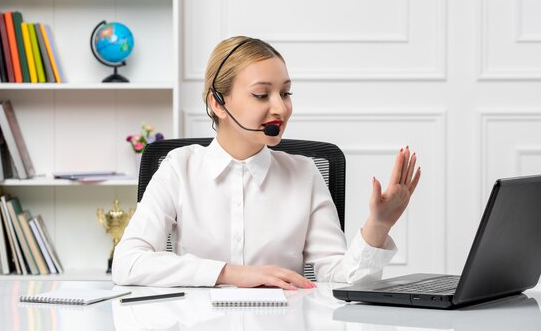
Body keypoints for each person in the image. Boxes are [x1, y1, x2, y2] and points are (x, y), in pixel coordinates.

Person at [112, 36, 421, 290]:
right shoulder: (179, 168)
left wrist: (378, 226)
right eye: (261, 94)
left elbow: (344, 280)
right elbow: (128, 263)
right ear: (217, 103)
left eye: (285, 93)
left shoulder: (304, 174)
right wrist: (230, 273)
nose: (281, 108)